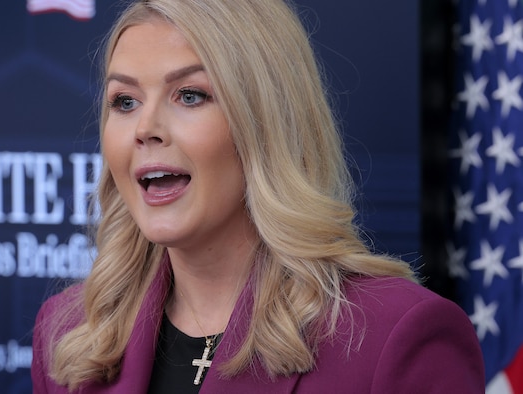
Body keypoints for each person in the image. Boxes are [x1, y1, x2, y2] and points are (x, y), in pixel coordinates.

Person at [31, 0, 485, 392]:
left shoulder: (394, 337)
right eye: (124, 102)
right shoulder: (69, 335)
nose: (145, 129)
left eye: (189, 95)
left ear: (266, 123)